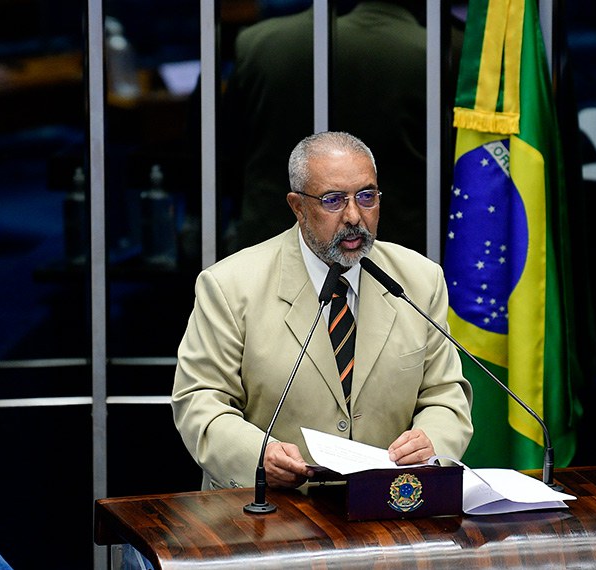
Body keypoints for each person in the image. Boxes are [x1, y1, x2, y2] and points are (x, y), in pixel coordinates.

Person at [172, 131, 473, 490]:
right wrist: (259, 455)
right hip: (268, 514)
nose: (353, 216)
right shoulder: (230, 286)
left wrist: (432, 441)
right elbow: (200, 401)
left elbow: (445, 395)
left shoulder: (420, 280)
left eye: (367, 197)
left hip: (386, 511)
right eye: (333, 200)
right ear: (297, 207)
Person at [222, 1, 449, 254]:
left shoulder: (260, 44)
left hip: (274, 236)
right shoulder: (431, 52)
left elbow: (224, 150)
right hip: (398, 242)